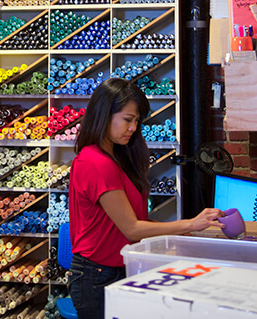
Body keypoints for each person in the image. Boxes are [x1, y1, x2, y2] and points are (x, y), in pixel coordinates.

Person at [67, 78, 226, 319]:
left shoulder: (116, 158)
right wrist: (190, 224)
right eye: (127, 120)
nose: (133, 128)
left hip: (116, 271)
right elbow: (132, 229)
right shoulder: (95, 162)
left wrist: (186, 232)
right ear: (103, 115)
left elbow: (137, 220)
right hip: (97, 278)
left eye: (137, 122)